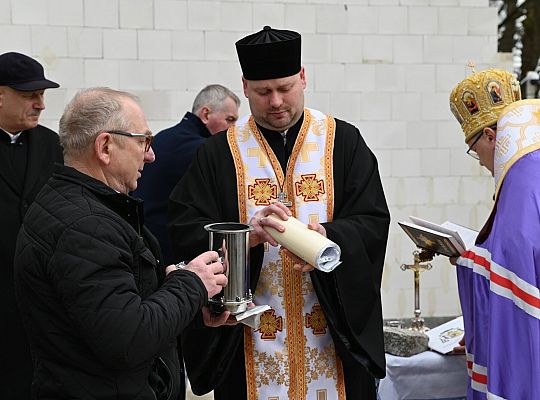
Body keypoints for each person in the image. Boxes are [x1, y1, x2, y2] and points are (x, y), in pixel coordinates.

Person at [169, 26, 390, 399]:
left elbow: (372, 222)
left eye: (285, 88)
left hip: (331, 338)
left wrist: (329, 240)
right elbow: (185, 230)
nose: (275, 101)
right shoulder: (217, 154)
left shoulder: (343, 142)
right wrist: (246, 238)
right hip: (248, 342)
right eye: (262, 91)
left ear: (303, 78)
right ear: (244, 87)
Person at [13, 87, 229, 399]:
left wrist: (190, 302)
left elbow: (113, 307)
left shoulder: (80, 206)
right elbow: (127, 339)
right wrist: (191, 284)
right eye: (143, 141)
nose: (151, 154)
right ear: (105, 146)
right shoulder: (85, 226)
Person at [449, 70, 535, 399]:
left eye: (475, 151)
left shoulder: (521, 178)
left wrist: (466, 258)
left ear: (489, 136)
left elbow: (517, 274)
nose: (482, 163)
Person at [0, 51, 63, 400]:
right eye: (29, 95)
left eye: (42, 95)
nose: (40, 104)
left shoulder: (52, 144)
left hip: (41, 302)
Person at [134, 84, 240, 265]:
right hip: (167, 252)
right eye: (230, 120)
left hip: (145, 241)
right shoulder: (200, 150)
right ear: (206, 115)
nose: (234, 128)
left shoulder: (166, 136)